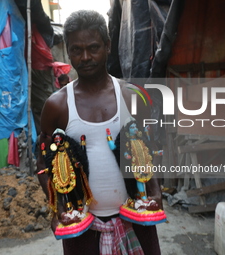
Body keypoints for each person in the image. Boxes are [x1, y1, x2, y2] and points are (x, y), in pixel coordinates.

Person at [36, 10, 162, 254]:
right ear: (69, 51)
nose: (85, 57)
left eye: (93, 47)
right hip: (82, 229)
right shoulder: (57, 105)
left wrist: (155, 193)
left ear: (107, 46)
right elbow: (43, 162)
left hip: (137, 220)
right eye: (76, 50)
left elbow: (149, 149)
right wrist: (58, 208)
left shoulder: (131, 96)